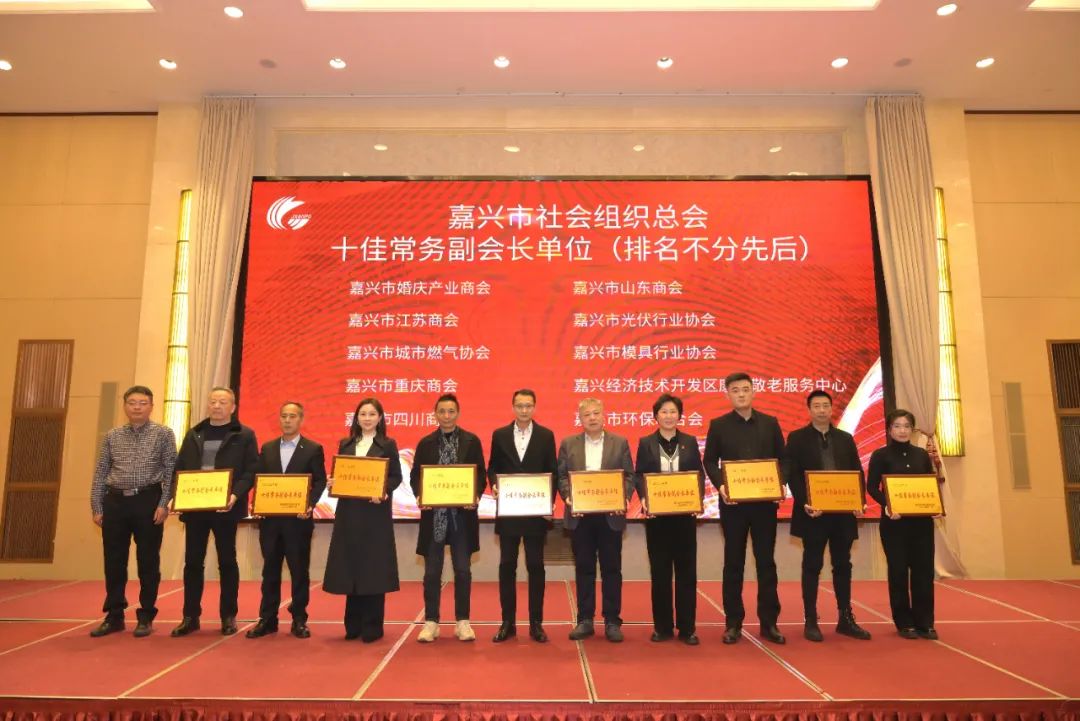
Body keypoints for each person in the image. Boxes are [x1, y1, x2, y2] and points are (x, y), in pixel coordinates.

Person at [702, 372, 786, 645]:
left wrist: (780, 483)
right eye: (735, 390)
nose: (741, 394)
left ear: (753, 391)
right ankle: (733, 623)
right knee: (733, 563)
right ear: (727, 394)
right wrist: (721, 486)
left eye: (745, 389)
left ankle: (769, 622)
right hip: (733, 506)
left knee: (766, 563)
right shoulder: (719, 425)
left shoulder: (770, 423)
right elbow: (709, 461)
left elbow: (783, 459)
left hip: (764, 505)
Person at [784, 390, 872, 642]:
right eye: (817, 406)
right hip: (813, 513)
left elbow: (856, 472)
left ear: (832, 409)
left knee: (843, 565)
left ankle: (845, 618)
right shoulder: (797, 438)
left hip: (842, 514)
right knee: (812, 565)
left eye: (825, 405)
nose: (822, 410)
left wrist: (859, 501)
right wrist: (806, 502)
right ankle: (811, 620)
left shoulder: (845, 438)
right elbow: (792, 474)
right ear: (809, 410)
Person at [170, 387, 259, 637]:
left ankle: (228, 616)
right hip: (196, 508)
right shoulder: (194, 433)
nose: (217, 406)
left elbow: (251, 470)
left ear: (233, 407)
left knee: (227, 562)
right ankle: (190, 616)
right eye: (213, 402)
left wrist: (235, 495)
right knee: (192, 563)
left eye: (223, 402)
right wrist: (176, 496)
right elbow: (180, 468)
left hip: (225, 508)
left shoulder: (244, 435)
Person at [89, 385, 176, 638]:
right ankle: (114, 615)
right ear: (125, 406)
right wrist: (97, 506)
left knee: (148, 561)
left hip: (148, 500)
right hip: (115, 502)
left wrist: (163, 504)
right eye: (132, 403)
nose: (137, 407)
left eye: (142, 403)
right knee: (114, 561)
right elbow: (101, 472)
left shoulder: (163, 434)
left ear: (151, 406)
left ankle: (146, 615)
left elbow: (171, 471)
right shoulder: (113, 435)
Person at [323, 398, 404, 642]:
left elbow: (396, 477)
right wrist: (333, 482)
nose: (367, 418)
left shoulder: (388, 444)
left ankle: (372, 625)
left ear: (380, 418)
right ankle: (353, 624)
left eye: (372, 414)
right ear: (356, 418)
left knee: (373, 568)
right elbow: (341, 474)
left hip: (374, 514)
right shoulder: (346, 443)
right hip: (349, 514)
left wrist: (384, 491)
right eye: (363, 414)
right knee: (351, 565)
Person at [557, 397, 635, 643]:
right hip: (580, 517)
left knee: (612, 569)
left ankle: (612, 620)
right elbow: (562, 477)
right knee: (584, 568)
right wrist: (569, 497)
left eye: (596, 413)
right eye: (587, 414)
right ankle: (585, 620)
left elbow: (629, 476)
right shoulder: (568, 443)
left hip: (610, 516)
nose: (592, 418)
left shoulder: (619, 442)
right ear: (580, 418)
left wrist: (623, 497)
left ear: (603, 415)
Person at [410, 393, 486, 643]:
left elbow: (480, 475)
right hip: (434, 517)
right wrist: (421, 494)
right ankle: (431, 622)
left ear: (458, 413)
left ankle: (462, 621)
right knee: (432, 572)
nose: (446, 416)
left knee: (462, 570)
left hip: (462, 517)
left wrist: (474, 495)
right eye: (442, 411)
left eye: (451, 411)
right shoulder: (425, 443)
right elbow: (415, 476)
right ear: (435, 414)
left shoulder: (471, 441)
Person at [247, 401, 327, 640]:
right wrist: (257, 503)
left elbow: (320, 481)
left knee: (299, 571)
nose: (288, 420)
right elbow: (260, 479)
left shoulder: (312, 448)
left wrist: (309, 504)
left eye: (293, 416)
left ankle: (299, 619)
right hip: (270, 522)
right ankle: (268, 619)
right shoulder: (268, 448)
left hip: (298, 522)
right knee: (269, 571)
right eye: (284, 416)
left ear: (301, 420)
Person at [487, 389, 558, 643]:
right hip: (509, 513)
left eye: (528, 405)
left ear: (535, 407)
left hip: (535, 514)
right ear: (513, 407)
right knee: (507, 566)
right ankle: (508, 622)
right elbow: (493, 467)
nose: (524, 410)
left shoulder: (546, 435)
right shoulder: (500, 435)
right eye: (519, 406)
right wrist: (494, 484)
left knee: (536, 566)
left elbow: (552, 471)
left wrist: (547, 503)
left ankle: (536, 623)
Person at [867, 408, 944, 640]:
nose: (902, 430)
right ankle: (904, 622)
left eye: (907, 426)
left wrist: (934, 506)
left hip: (921, 525)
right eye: (897, 426)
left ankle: (925, 622)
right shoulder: (880, 455)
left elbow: (929, 485)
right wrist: (888, 505)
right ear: (889, 429)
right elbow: (871, 487)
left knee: (923, 572)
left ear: (913, 430)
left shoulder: (921, 455)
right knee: (898, 572)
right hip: (894, 524)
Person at [634, 393, 705, 645]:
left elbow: (698, 474)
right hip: (657, 518)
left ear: (680, 415)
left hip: (684, 517)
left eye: (673, 411)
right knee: (660, 573)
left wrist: (697, 500)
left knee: (686, 572)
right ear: (656, 416)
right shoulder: (646, 442)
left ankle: (687, 628)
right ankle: (662, 627)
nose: (668, 416)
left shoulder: (689, 441)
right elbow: (639, 475)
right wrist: (644, 498)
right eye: (663, 412)